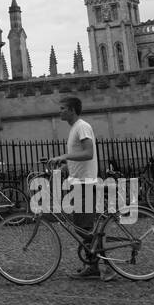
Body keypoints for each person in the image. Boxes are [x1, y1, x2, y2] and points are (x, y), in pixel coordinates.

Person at [47, 95, 111, 281]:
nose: (60, 111)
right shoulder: (75, 128)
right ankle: (93, 266)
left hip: (85, 184)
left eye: (62, 108)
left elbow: (89, 152)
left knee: (84, 227)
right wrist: (67, 167)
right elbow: (81, 156)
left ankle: (105, 266)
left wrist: (63, 157)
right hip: (79, 182)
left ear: (72, 110)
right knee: (83, 227)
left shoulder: (81, 126)